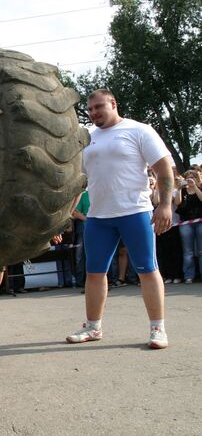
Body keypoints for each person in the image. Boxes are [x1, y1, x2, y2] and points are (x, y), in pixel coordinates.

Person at [66, 89, 173, 350]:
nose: (94, 113)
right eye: (90, 110)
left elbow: (164, 169)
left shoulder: (139, 130)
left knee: (147, 269)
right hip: (98, 217)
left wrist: (166, 205)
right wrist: (65, 215)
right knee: (94, 273)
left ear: (113, 104)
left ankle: (157, 329)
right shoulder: (87, 138)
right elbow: (78, 183)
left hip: (134, 211)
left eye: (99, 107)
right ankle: (93, 327)